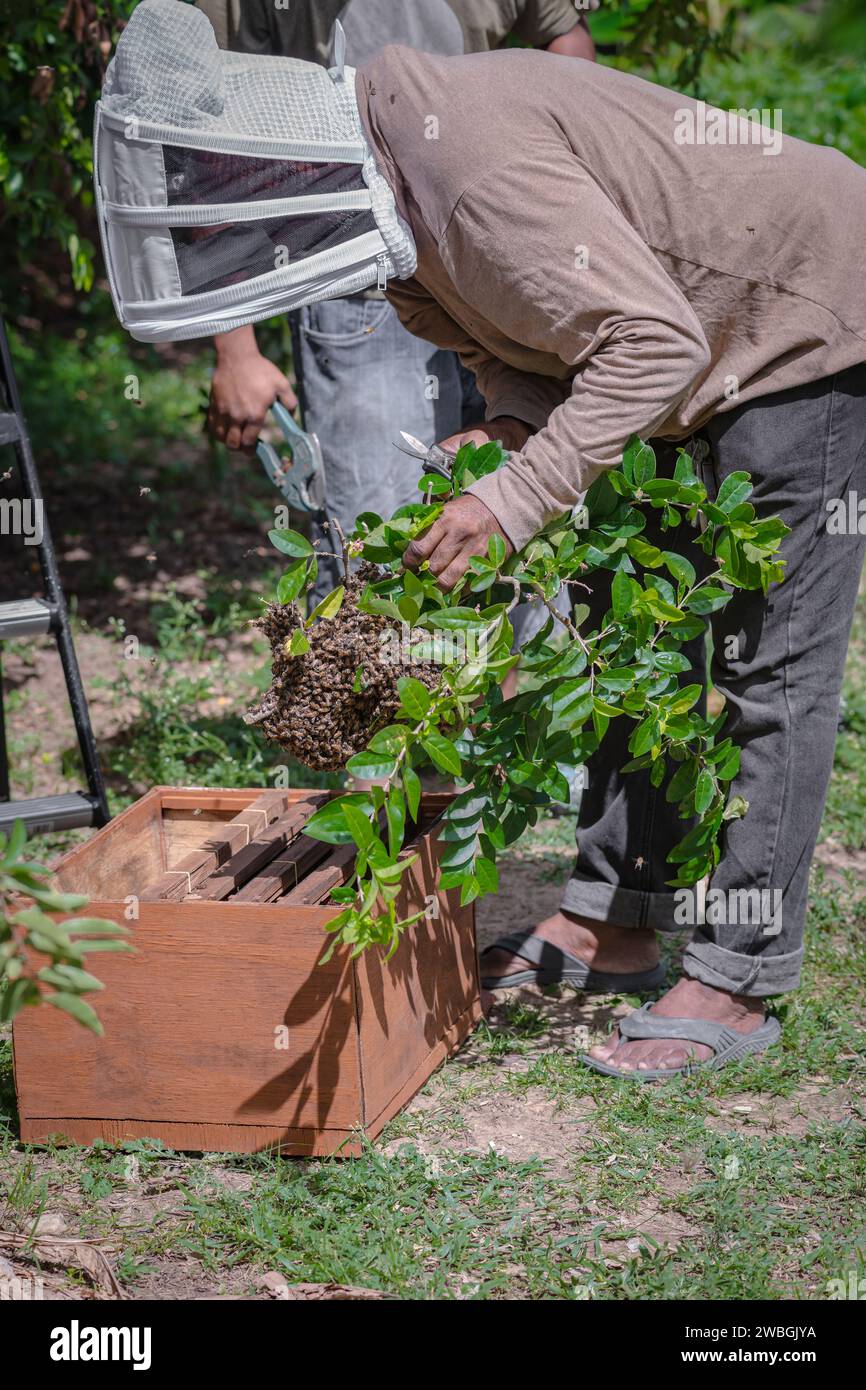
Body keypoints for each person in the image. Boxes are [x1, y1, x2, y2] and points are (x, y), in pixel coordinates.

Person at [98, 4, 866, 1079]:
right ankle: (615, 916)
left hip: (799, 316)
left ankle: (740, 976)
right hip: (688, 340)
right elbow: (517, 339)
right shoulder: (396, 224)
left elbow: (650, 343)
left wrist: (512, 500)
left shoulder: (465, 177)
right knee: (623, 633)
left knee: (762, 656)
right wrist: (509, 430)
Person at [196, 0, 597, 610]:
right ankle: (387, 703)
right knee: (378, 554)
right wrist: (235, 343)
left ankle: (519, 703)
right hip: (357, 286)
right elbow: (206, 123)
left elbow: (566, 42)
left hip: (499, 282)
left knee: (528, 542)